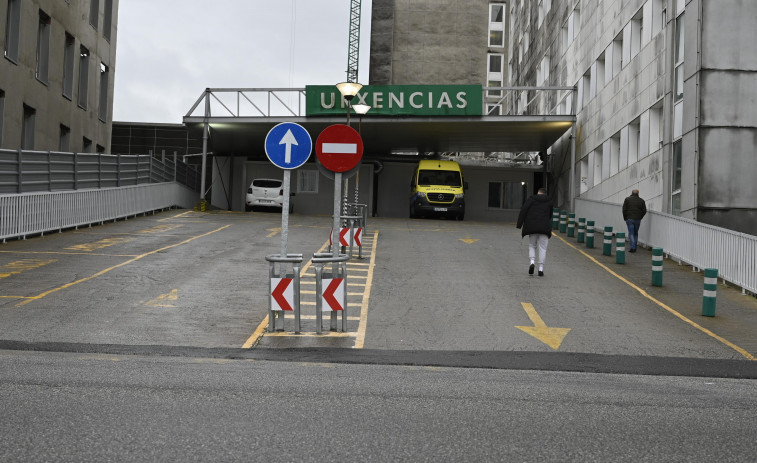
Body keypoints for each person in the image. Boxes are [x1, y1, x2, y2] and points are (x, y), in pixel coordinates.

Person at [516, 188, 554, 277]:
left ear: (538, 193)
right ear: (545, 194)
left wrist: (519, 224)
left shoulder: (531, 199)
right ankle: (541, 269)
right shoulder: (549, 201)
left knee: (532, 246)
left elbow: (523, 211)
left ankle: (532, 262)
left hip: (532, 227)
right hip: (544, 228)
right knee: (543, 248)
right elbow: (550, 215)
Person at [622, 189, 647, 253]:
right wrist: (640, 217)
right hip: (637, 219)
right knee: (635, 233)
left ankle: (633, 248)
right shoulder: (642, 201)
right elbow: (644, 211)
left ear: (632, 193)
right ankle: (634, 246)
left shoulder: (627, 199)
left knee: (631, 233)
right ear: (638, 194)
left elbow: (624, 209)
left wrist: (625, 218)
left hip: (629, 219)